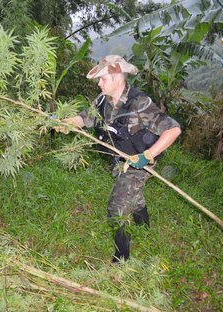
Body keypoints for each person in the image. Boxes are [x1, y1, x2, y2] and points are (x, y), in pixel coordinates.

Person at [59, 55, 181, 262]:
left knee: (117, 207)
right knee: (133, 196)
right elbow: (85, 118)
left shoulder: (139, 104)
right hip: (119, 160)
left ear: (116, 77)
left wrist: (147, 155)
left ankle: (121, 260)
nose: (99, 83)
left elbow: (173, 129)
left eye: (102, 79)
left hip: (139, 163)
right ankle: (145, 229)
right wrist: (65, 123)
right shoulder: (102, 101)